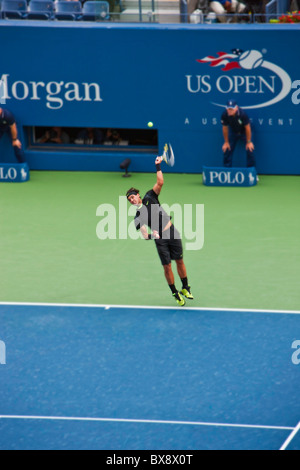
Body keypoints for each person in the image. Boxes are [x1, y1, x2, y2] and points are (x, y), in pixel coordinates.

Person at [126, 156, 193, 307]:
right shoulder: (138, 217)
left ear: (138, 195)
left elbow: (160, 182)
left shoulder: (150, 196)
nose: (131, 200)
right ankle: (175, 292)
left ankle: (185, 287)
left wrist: (158, 166)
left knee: (180, 260)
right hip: (160, 239)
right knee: (167, 266)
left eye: (132, 197)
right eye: (129, 200)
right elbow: (144, 235)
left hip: (172, 231)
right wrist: (152, 235)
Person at [221, 99, 256, 168]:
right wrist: (226, 142)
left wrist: (249, 141)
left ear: (236, 108)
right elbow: (225, 128)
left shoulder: (243, 114)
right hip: (233, 132)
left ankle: (251, 172)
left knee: (250, 148)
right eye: (228, 109)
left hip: (245, 132)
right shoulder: (224, 114)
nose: (230, 111)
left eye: (232, 109)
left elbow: (248, 128)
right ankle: (227, 172)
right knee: (227, 148)